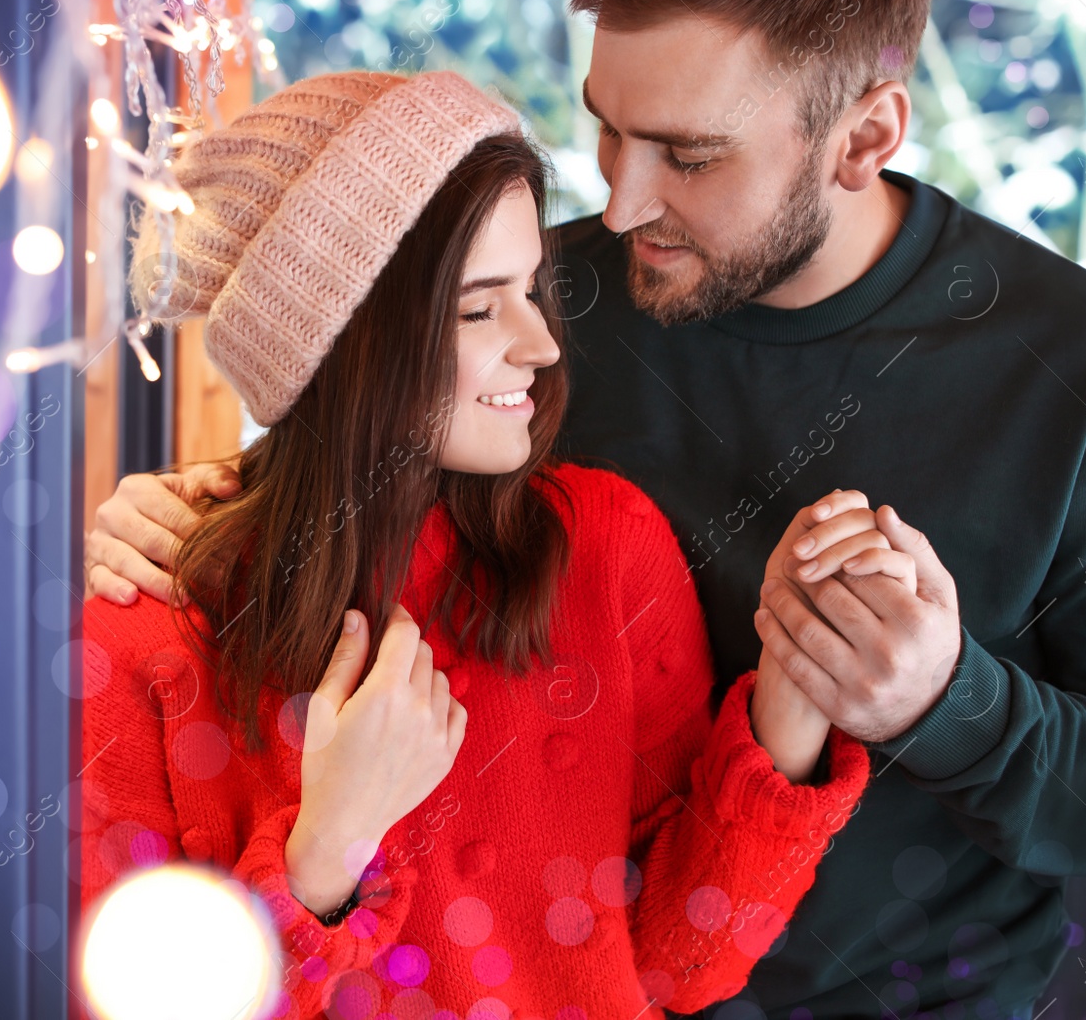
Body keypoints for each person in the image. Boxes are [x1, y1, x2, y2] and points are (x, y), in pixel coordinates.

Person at [85, 0, 1086, 1018]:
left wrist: (944, 701)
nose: (618, 203)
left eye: (687, 156)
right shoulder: (541, 297)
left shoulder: (1083, 366)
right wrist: (202, 511)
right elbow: (353, 411)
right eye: (607, 128)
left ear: (866, 136)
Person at [79, 70, 875, 1020]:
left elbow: (680, 962)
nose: (539, 342)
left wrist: (791, 695)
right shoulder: (151, 620)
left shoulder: (605, 546)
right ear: (342, 343)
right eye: (477, 307)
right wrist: (327, 849)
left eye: (532, 289)